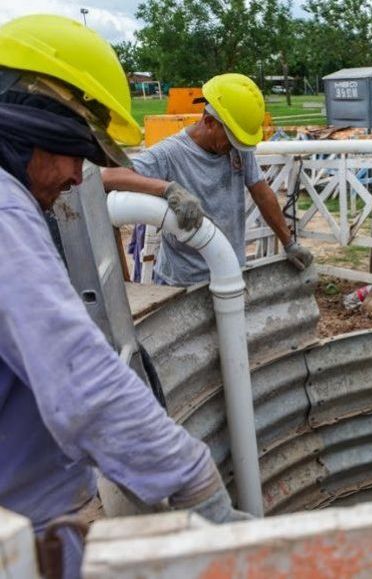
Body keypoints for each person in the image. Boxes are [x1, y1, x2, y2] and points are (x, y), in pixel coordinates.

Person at [0, 15, 248, 578]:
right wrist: (198, 482)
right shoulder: (5, 209)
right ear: (28, 123)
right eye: (76, 151)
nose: (75, 175)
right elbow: (79, 382)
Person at [102, 73, 313, 286]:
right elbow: (109, 176)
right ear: (210, 121)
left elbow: (261, 192)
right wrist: (167, 188)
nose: (234, 147)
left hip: (229, 272)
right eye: (231, 139)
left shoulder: (236, 146)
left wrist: (288, 242)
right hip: (183, 282)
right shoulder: (169, 154)